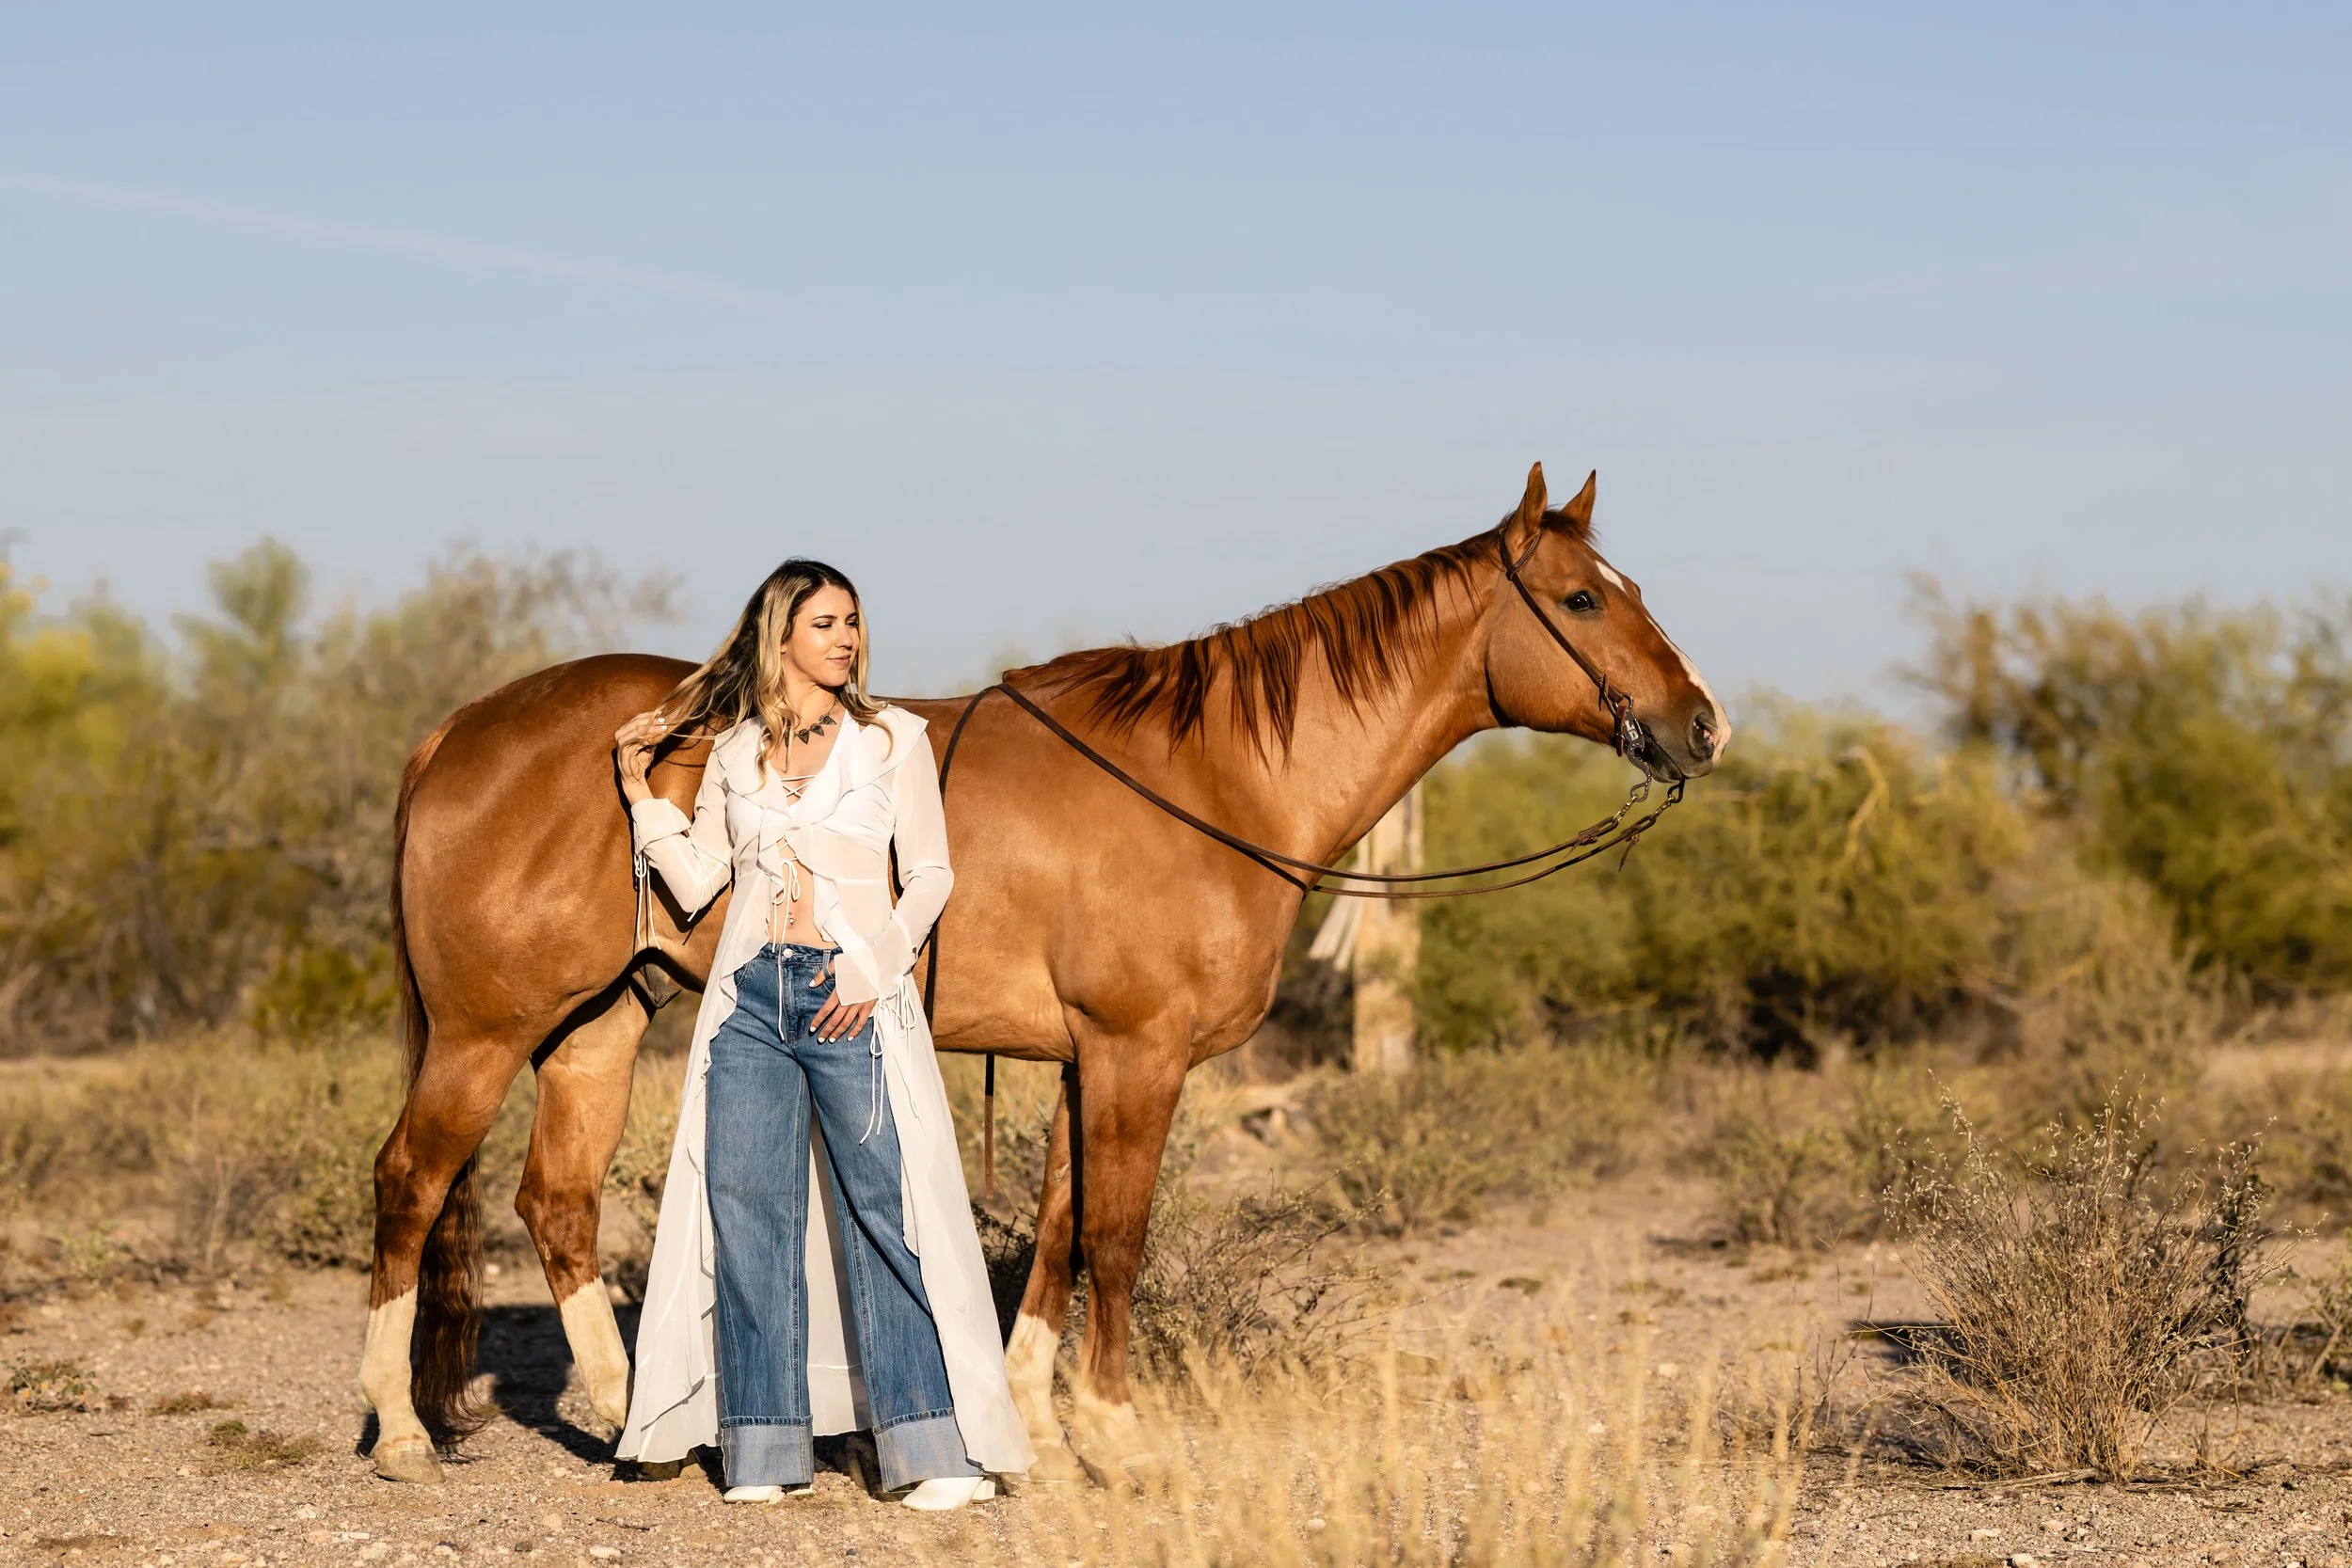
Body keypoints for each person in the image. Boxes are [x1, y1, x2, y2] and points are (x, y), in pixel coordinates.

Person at [609, 559, 1033, 1511]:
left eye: (851, 622)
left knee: (882, 1213)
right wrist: (642, 791)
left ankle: (928, 1447)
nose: (844, 638)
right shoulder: (734, 753)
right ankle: (762, 1448)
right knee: (749, 1213)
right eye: (825, 623)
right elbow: (694, 881)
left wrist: (872, 968)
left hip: (851, 999)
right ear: (781, 635)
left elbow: (929, 874)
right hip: (750, 1005)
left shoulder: (891, 741)